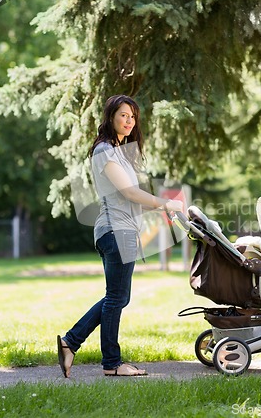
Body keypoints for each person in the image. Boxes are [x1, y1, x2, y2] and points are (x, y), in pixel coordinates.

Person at [57, 95, 184, 377]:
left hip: (121, 229)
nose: (129, 121)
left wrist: (163, 211)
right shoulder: (105, 150)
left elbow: (130, 198)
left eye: (133, 116)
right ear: (111, 116)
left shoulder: (120, 151)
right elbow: (128, 193)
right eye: (123, 115)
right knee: (116, 298)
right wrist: (165, 202)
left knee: (117, 297)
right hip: (115, 230)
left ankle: (71, 342)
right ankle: (111, 363)